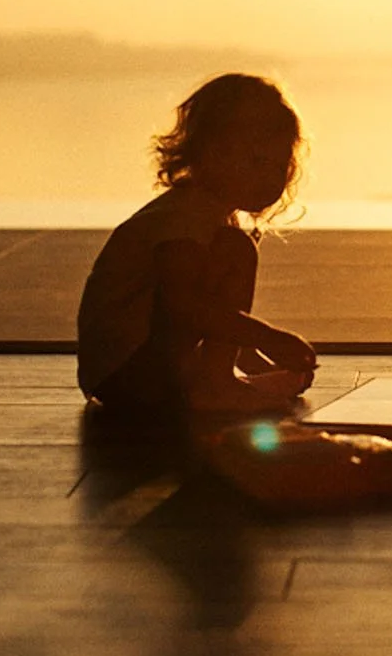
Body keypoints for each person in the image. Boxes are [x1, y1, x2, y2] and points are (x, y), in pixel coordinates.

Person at [77, 73, 318, 417]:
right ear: (211, 154)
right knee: (237, 248)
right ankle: (217, 385)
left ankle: (219, 381)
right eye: (257, 162)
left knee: (235, 246)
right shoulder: (184, 219)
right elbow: (185, 306)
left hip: (120, 373)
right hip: (128, 372)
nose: (270, 177)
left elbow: (210, 317)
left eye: (279, 166)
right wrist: (268, 337)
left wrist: (256, 362)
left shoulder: (208, 216)